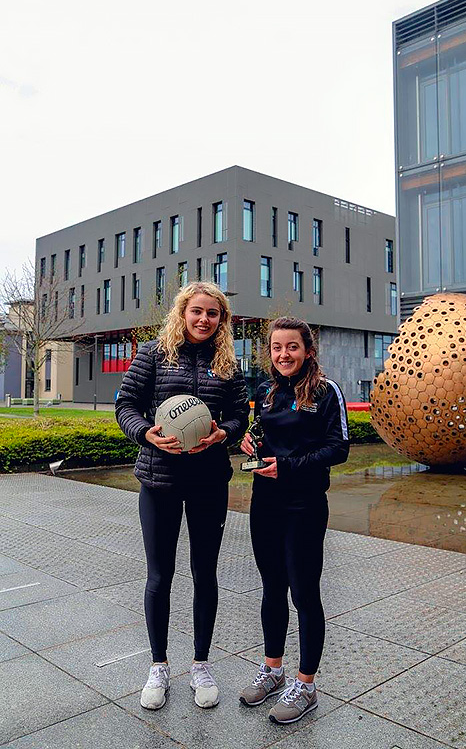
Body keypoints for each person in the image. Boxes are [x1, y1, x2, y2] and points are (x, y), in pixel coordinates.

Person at [115, 281, 249, 711]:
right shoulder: (154, 354)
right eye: (197, 311)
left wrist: (224, 434)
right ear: (182, 312)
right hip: (160, 480)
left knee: (205, 573)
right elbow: (126, 405)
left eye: (213, 313)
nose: (204, 319)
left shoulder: (227, 364)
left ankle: (200, 664)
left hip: (208, 480)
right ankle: (158, 665)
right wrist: (146, 433)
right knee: (160, 576)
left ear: (222, 319)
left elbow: (240, 414)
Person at [239, 317, 349, 724]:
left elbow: (339, 448)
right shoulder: (265, 391)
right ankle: (273, 670)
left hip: (304, 505)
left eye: (292, 347)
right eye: (276, 347)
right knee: (271, 589)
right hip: (265, 502)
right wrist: (251, 442)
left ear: (308, 351)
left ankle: (306, 684)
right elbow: (263, 437)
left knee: (304, 593)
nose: (283, 354)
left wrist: (288, 467)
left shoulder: (325, 391)